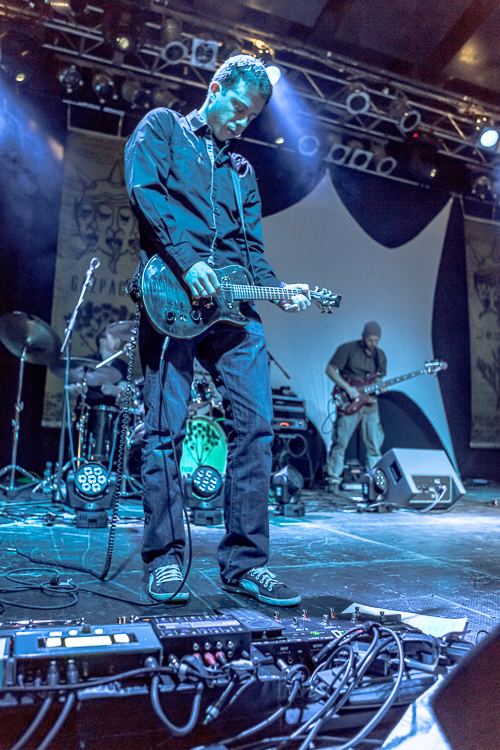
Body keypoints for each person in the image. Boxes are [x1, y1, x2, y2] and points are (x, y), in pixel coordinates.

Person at [124, 55, 311, 605]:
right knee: (163, 432)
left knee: (257, 430)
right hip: (171, 296)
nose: (241, 122)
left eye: (252, 117)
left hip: (233, 313)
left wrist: (278, 289)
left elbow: (251, 250)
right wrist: (187, 262)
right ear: (214, 88)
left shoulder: (243, 173)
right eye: (237, 108)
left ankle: (245, 564)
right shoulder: (163, 128)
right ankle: (164, 559)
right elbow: (146, 193)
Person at [326, 321, 387, 494]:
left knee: (374, 445)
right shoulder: (347, 349)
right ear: (363, 336)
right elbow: (330, 369)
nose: (373, 343)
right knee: (340, 443)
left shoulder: (380, 355)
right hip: (349, 401)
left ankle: (374, 483)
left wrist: (381, 386)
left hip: (370, 405)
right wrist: (347, 388)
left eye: (376, 340)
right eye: (370, 339)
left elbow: (379, 378)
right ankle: (333, 480)